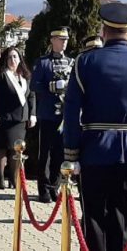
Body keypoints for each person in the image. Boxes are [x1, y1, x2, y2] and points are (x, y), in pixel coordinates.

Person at [63, 3, 127, 251]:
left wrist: (71, 154)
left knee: (94, 220)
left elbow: (71, 110)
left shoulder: (85, 61)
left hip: (94, 152)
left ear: (103, 31)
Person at [30, 26, 74, 203]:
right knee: (46, 153)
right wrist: (51, 86)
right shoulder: (43, 62)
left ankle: (55, 186)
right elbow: (34, 85)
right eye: (61, 40)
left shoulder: (71, 62)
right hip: (48, 114)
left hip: (64, 116)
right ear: (52, 41)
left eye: (66, 40)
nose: (64, 43)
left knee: (60, 153)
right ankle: (44, 189)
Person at [0, 46, 36, 189]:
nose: (12, 60)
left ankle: (13, 178)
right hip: (5, 118)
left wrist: (32, 114)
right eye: (9, 57)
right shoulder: (1, 76)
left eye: (15, 56)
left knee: (17, 150)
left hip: (21, 120)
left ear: (20, 59)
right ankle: (0, 178)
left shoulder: (25, 76)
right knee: (2, 148)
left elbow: (31, 96)